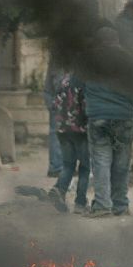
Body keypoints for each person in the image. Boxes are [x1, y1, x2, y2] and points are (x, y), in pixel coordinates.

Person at [82, 28, 133, 217]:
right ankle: (120, 205)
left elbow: (75, 85)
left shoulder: (88, 59)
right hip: (124, 117)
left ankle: (102, 205)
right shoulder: (129, 59)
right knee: (122, 163)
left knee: (101, 161)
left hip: (98, 116)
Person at [47, 70, 90, 214]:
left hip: (62, 130)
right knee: (84, 167)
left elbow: (54, 104)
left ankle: (60, 191)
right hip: (80, 131)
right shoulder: (85, 81)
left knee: (68, 165)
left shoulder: (63, 80)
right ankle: (80, 203)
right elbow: (86, 107)